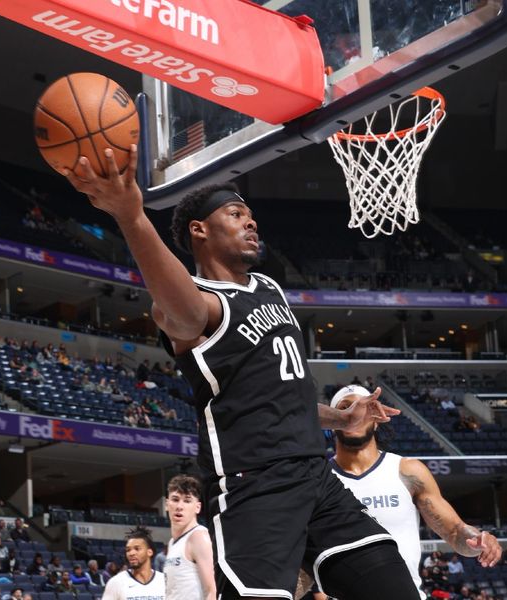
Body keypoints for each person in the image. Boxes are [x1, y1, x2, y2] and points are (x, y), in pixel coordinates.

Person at [65, 152, 415, 600]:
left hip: (318, 480)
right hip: (257, 488)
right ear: (200, 230)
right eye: (235, 215)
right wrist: (131, 216)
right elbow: (184, 310)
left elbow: (280, 398)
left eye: (251, 217)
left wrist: (341, 420)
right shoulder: (195, 304)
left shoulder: (269, 288)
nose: (251, 224)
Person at [308, 386, 502, 600]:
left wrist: (477, 540)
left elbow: (454, 532)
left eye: (361, 407)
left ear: (376, 418)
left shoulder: (407, 470)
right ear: (334, 421)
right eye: (345, 408)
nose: (354, 414)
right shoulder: (318, 478)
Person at [164, 475, 215, 600]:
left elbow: (212, 590)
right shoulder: (172, 542)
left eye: (187, 501)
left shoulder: (198, 537)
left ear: (197, 507)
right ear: (166, 504)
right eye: (175, 499)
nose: (179, 506)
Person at [101, 527, 165, 600]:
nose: (131, 553)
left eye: (137, 549)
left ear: (149, 552)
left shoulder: (164, 581)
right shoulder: (116, 582)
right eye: (128, 550)